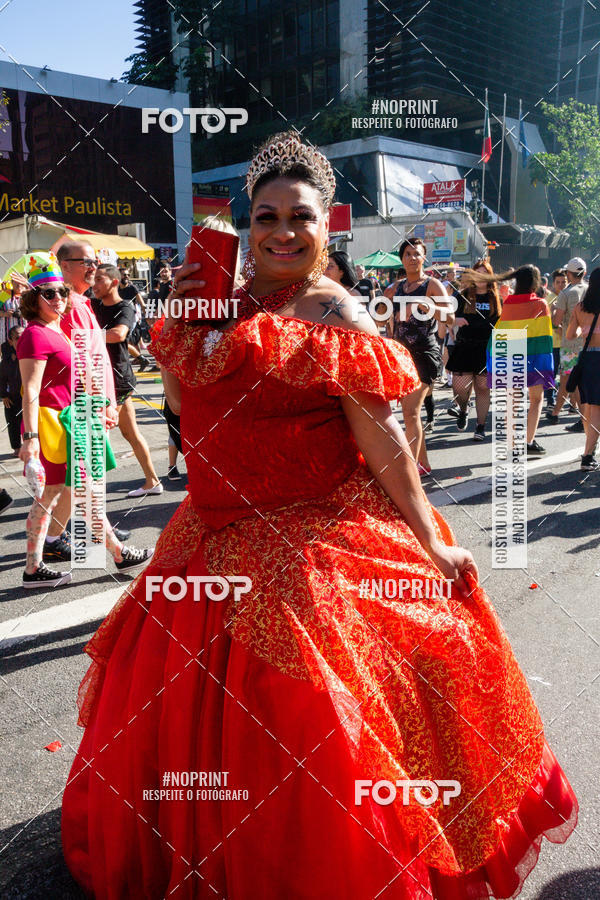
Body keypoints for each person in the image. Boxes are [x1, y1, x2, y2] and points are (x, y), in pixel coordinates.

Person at [62, 131, 577, 898]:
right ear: (248, 222)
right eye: (265, 216)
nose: (280, 232)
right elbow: (181, 407)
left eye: (299, 218)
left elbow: (385, 436)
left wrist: (426, 537)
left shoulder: (336, 311)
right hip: (209, 531)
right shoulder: (221, 303)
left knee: (324, 724)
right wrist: (191, 320)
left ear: (325, 224)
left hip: (315, 530)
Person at [17, 257, 152, 587]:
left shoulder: (54, 330)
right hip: (51, 427)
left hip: (69, 423)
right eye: (48, 294)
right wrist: (31, 437)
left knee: (58, 495)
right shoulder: (35, 334)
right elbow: (31, 389)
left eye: (61, 292)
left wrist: (97, 402)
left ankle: (35, 569)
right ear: (34, 299)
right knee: (73, 493)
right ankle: (117, 553)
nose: (58, 299)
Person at [91, 264, 163, 497]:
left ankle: (89, 494)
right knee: (130, 433)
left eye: (99, 279)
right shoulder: (92, 305)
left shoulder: (126, 306)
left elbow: (119, 335)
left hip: (117, 379)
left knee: (97, 433)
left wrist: (84, 337)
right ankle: (152, 481)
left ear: (113, 282)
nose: (94, 284)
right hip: (100, 377)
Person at [385, 238, 454, 476]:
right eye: (407, 254)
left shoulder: (433, 285)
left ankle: (408, 470)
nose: (412, 258)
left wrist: (429, 307)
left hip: (426, 353)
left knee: (411, 411)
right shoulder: (393, 289)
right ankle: (423, 463)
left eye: (417, 254)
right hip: (402, 356)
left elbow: (450, 318)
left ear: (424, 258)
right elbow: (386, 324)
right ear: (401, 259)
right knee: (410, 413)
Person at [485, 265, 555, 456]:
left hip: (510, 352)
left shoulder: (508, 303)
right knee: (536, 399)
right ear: (536, 282)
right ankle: (528, 441)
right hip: (533, 354)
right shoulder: (541, 304)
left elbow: (504, 331)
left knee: (512, 402)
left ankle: (510, 445)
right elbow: (544, 338)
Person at [446, 259, 501, 440]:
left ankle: (480, 426)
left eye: (485, 273)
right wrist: (454, 321)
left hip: (486, 349)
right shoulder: (462, 296)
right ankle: (463, 409)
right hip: (464, 347)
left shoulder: (497, 299)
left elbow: (504, 323)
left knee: (483, 388)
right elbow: (445, 315)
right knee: (459, 387)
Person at [565, 267, 600, 470]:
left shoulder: (580, 307)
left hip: (588, 359)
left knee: (588, 406)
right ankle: (588, 454)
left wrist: (585, 331)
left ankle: (589, 449)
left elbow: (571, 335)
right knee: (594, 408)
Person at [547, 258, 587, 432]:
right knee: (579, 382)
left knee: (567, 380)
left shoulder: (565, 293)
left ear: (569, 274)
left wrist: (555, 310)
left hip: (570, 343)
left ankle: (577, 417)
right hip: (588, 343)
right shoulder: (591, 289)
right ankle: (557, 412)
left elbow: (556, 322)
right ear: (584, 273)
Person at [544, 268, 568, 412]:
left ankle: (569, 400)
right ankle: (550, 400)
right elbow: (547, 322)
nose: (561, 285)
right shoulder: (548, 299)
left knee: (567, 374)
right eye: (558, 282)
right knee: (551, 373)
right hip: (552, 343)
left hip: (568, 343)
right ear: (553, 283)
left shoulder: (570, 296)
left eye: (563, 281)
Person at [0, 324, 24, 455]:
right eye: (18, 338)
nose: (21, 340)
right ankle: (16, 448)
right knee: (12, 422)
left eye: (24, 336)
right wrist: (3, 395)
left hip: (29, 395)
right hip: (12, 395)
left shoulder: (32, 352)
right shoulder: (7, 359)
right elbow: (2, 378)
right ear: (10, 340)